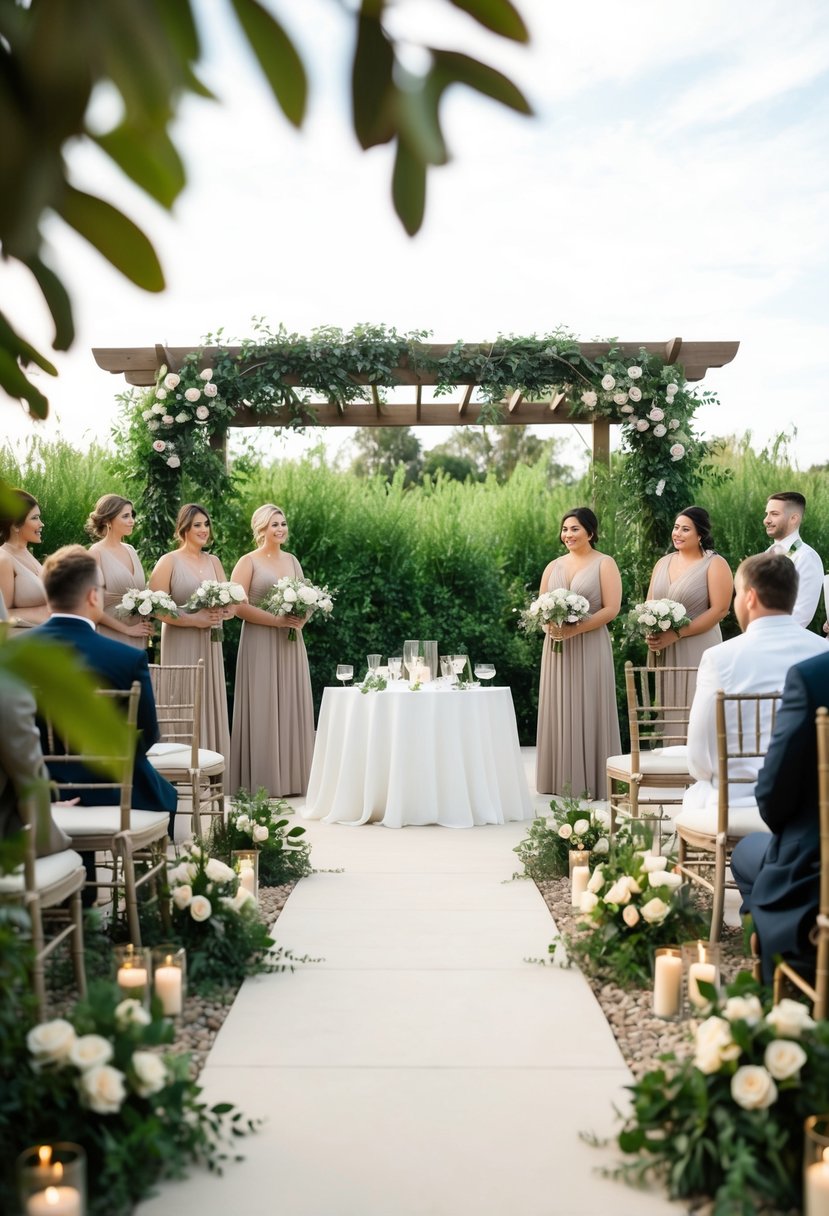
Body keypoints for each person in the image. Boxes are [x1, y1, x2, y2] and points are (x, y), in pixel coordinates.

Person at [31, 546, 177, 895]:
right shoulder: (124, 658)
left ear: (48, 595)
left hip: (43, 792)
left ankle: (74, 902)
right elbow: (147, 735)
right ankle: (143, 903)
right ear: (93, 596)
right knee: (164, 792)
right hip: (116, 793)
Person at [675, 553, 826, 835]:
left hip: (738, 802)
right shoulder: (824, 653)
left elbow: (699, 756)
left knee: (699, 791)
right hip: (816, 805)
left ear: (750, 598)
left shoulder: (720, 658)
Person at [731, 649, 829, 984]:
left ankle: (786, 963)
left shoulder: (814, 677)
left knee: (747, 852)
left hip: (818, 880)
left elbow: (773, 798)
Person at [535, 506, 622, 799]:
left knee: (589, 702)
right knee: (559, 704)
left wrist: (577, 628)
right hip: (557, 647)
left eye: (574, 529)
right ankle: (559, 779)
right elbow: (541, 608)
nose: (568, 535)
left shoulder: (604, 563)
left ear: (590, 532)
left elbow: (611, 608)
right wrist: (550, 627)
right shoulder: (553, 567)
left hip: (590, 645)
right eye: (564, 529)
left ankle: (594, 780)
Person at [229, 504, 315, 797]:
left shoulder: (292, 560)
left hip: (290, 642)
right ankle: (263, 781)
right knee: (263, 704)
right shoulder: (248, 562)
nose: (280, 529)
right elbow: (237, 606)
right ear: (261, 529)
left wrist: (302, 617)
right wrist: (276, 620)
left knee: (291, 701)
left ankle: (293, 779)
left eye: (283, 523)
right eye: (274, 524)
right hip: (260, 642)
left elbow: (307, 597)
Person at [149, 503, 235, 758]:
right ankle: (179, 765)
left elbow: (230, 605)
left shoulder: (214, 562)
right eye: (197, 525)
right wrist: (193, 619)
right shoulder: (169, 561)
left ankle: (213, 767)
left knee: (209, 696)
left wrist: (225, 613)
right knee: (182, 694)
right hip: (180, 639)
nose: (204, 529)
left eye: (206, 524)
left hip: (210, 641)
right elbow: (156, 608)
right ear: (184, 528)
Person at [644, 506, 733, 694]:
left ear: (700, 534)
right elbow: (648, 604)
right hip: (665, 647)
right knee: (670, 706)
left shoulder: (715, 563)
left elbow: (720, 609)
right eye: (676, 527)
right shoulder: (662, 563)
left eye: (685, 529)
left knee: (696, 702)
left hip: (698, 645)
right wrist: (650, 630)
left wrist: (676, 634)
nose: (677, 533)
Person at [86, 494, 152, 647]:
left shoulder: (131, 550)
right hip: (110, 637)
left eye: (132, 515)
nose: (132, 521)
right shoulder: (96, 553)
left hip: (137, 636)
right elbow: (91, 607)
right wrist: (127, 630)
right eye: (125, 516)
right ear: (108, 521)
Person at [763, 491, 824, 628]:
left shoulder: (806, 557)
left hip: (781, 641)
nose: (766, 520)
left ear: (794, 518)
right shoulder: (766, 553)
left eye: (774, 514)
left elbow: (801, 615)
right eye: (767, 514)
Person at [0, 488, 49, 629]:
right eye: (35, 518)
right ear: (15, 525)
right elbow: (2, 616)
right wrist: (44, 612)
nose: (41, 524)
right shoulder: (4, 559)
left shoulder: (27, 553)